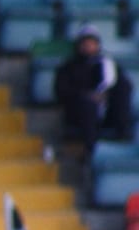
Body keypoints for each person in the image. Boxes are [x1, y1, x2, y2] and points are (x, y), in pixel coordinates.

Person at [54, 24, 135, 155]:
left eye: (91, 43)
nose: (88, 46)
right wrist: (87, 95)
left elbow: (123, 85)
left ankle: (124, 138)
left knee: (123, 88)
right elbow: (61, 92)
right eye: (85, 43)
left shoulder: (107, 64)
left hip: (107, 111)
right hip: (80, 114)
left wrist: (105, 95)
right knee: (88, 105)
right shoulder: (68, 67)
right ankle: (92, 151)